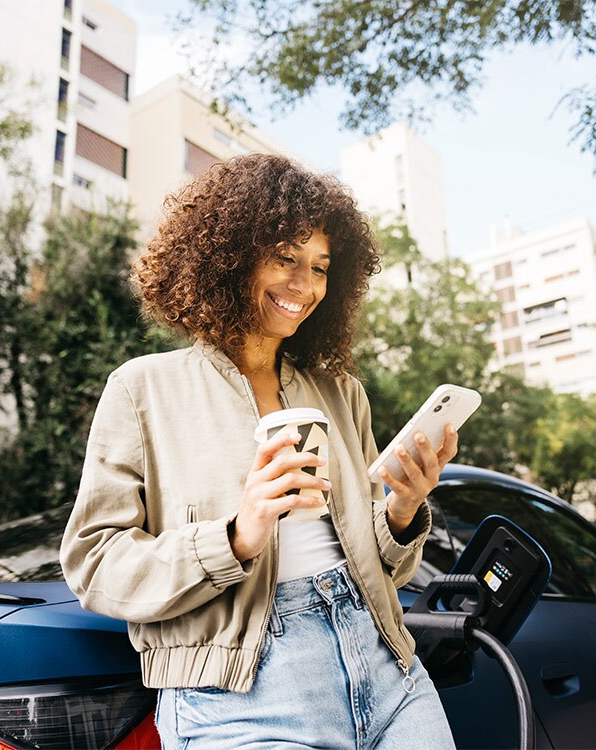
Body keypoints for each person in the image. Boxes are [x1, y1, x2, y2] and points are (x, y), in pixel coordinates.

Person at [60, 153, 460, 749]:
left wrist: (402, 510)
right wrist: (235, 537)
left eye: (321, 267)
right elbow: (95, 562)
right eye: (284, 258)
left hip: (386, 665)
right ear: (228, 259)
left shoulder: (341, 394)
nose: (305, 285)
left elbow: (385, 567)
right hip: (241, 696)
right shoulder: (142, 389)